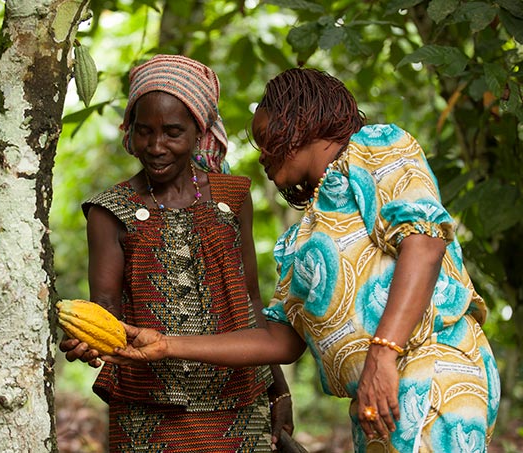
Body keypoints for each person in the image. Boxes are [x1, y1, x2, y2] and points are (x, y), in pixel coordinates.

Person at [108, 67, 501, 453]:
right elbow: (279, 338)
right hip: (376, 398)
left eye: (266, 139)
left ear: (297, 122)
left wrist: (382, 354)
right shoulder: (305, 238)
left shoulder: (376, 148)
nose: (262, 156)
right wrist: (168, 345)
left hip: (431, 374)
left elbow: (424, 240)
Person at [59, 54, 294, 452]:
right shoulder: (110, 209)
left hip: (238, 400)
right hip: (147, 410)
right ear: (129, 131)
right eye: (144, 131)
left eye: (172, 132)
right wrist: (88, 340)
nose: (155, 146)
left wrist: (278, 390)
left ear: (199, 131)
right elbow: (105, 307)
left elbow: (251, 299)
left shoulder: (233, 196)